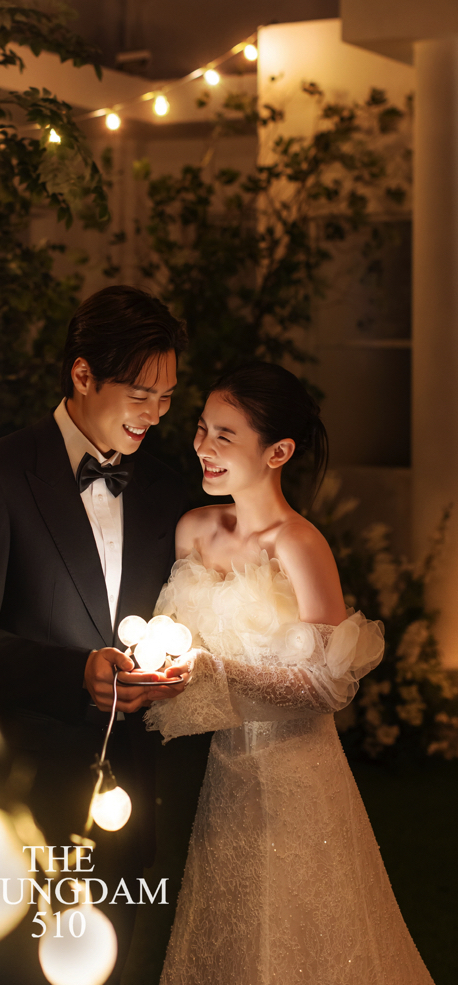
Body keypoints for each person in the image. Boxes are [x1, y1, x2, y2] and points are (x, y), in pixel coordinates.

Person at [0, 285, 196, 985]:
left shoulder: (166, 492)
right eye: (141, 394)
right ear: (83, 374)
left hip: (122, 808)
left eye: (167, 398)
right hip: (16, 806)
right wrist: (73, 673)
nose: (156, 414)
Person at [147, 361, 435, 985]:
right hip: (225, 771)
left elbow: (328, 686)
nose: (203, 446)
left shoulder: (300, 544)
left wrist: (216, 671)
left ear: (277, 452)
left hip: (299, 773)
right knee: (231, 930)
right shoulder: (194, 529)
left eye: (225, 435)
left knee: (307, 939)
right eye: (201, 428)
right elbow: (176, 641)